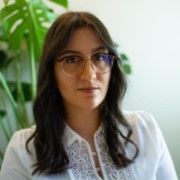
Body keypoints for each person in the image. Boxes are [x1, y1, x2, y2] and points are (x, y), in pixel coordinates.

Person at [0, 11, 178, 180]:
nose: (89, 75)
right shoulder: (23, 150)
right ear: (51, 70)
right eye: (71, 59)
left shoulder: (144, 129)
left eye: (99, 57)